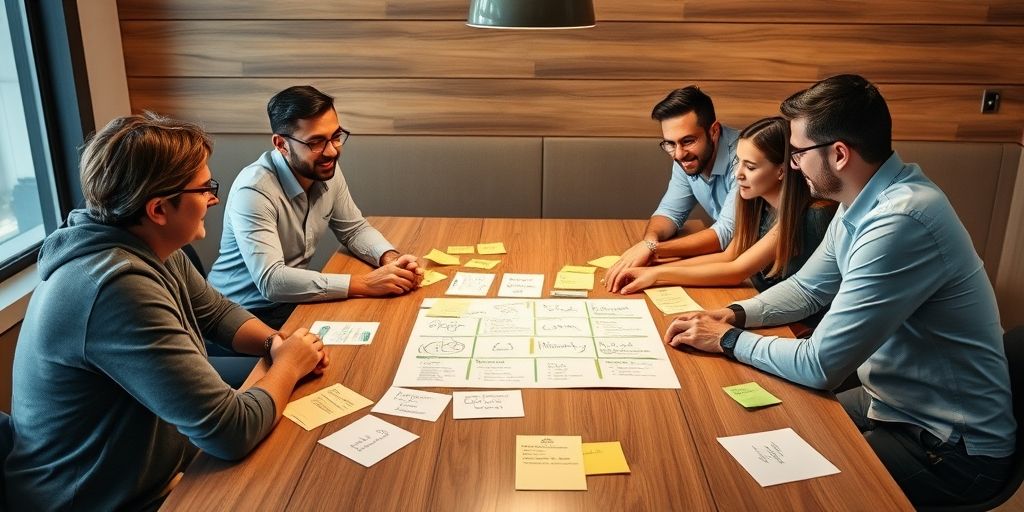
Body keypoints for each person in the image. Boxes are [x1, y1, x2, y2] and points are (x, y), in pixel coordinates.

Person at [664, 75, 1015, 507]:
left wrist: (728, 340)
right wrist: (733, 314)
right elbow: (807, 289)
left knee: (772, 490)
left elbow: (821, 365)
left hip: (950, 448)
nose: (792, 165)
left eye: (797, 154)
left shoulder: (901, 219)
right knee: (750, 434)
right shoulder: (862, 201)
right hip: (887, 405)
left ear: (839, 154)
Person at [5, 113, 329, 510]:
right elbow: (230, 432)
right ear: (158, 209)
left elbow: (216, 313)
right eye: (205, 188)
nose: (213, 198)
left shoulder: (140, 239)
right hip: (93, 499)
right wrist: (289, 365)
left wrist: (277, 343)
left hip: (144, 465)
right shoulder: (114, 289)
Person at [209, 85, 423, 329]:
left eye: (336, 136)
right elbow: (271, 281)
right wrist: (365, 283)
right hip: (239, 314)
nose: (331, 151)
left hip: (291, 302)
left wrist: (389, 259)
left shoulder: (324, 168)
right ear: (281, 144)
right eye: (316, 142)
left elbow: (353, 229)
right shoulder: (254, 190)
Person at [610, 116, 836, 295]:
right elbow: (728, 256)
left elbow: (735, 271)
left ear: (781, 171)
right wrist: (651, 268)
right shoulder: (759, 204)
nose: (738, 175)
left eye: (750, 167)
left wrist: (656, 274)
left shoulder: (808, 214)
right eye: (739, 163)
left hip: (801, 326)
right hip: (758, 298)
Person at [605, 85, 740, 291]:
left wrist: (654, 249)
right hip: (732, 261)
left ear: (713, 131)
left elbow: (725, 233)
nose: (678, 154)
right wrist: (650, 241)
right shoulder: (685, 158)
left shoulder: (745, 158)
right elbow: (669, 213)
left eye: (688, 141)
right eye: (670, 144)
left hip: (758, 272)